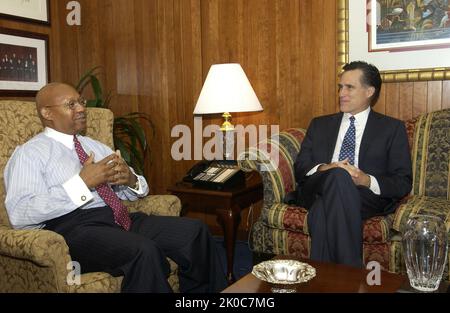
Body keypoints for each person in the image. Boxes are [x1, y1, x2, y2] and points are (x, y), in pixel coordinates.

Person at [4, 82, 227, 293]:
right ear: (47, 113)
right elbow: (21, 213)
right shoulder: (30, 153)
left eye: (81, 101)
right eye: (71, 104)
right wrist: (82, 183)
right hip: (72, 229)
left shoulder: (96, 147)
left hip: (119, 218)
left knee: (194, 231)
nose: (82, 108)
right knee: (143, 251)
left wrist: (130, 180)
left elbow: (137, 189)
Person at [292, 61, 412, 268]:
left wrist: (366, 180)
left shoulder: (392, 128)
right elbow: (301, 166)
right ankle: (352, 275)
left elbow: (402, 182)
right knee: (338, 175)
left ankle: (324, 282)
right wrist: (326, 168)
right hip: (318, 187)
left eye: (349, 87)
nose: (341, 93)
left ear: (369, 91)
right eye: (340, 87)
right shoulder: (320, 124)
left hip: (363, 196)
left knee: (321, 213)